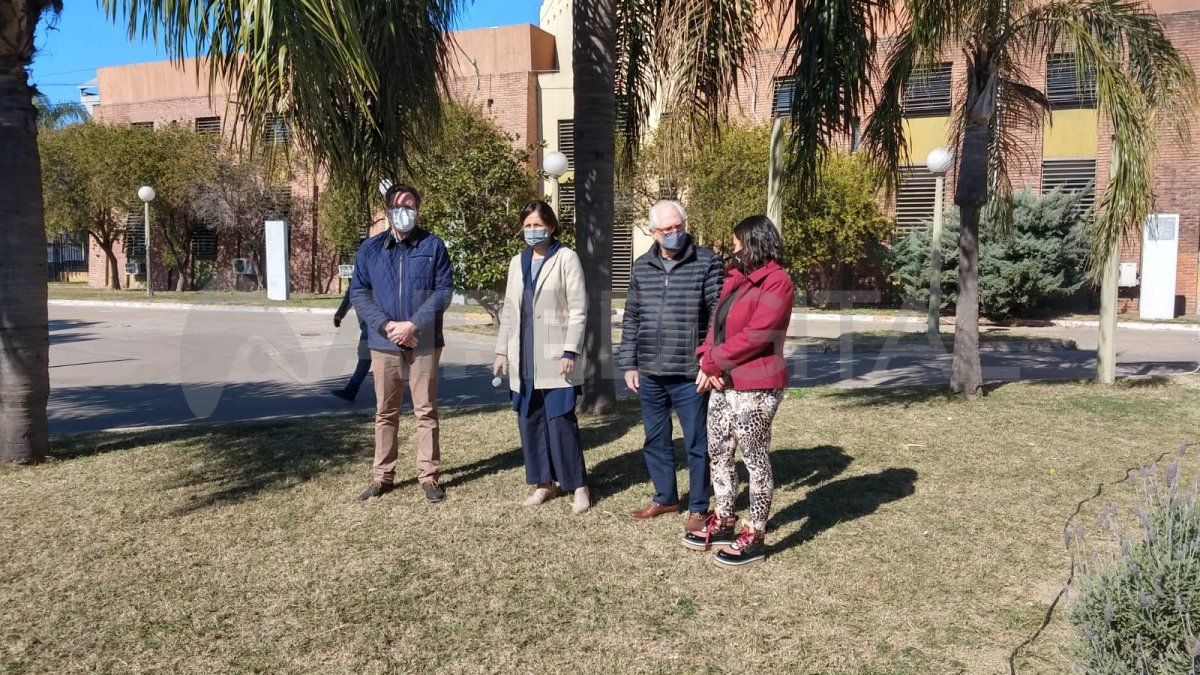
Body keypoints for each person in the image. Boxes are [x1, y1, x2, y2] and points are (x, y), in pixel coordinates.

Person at [683, 215, 794, 568]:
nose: (732, 252)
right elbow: (715, 326)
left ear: (755, 243)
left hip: (757, 385)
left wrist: (712, 363)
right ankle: (725, 517)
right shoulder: (736, 279)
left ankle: (755, 535)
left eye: (736, 245)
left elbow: (758, 336)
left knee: (755, 459)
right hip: (724, 382)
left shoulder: (778, 282)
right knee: (719, 451)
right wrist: (706, 357)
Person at [619, 199, 724, 535]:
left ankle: (698, 506)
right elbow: (633, 316)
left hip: (690, 373)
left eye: (679, 227)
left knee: (697, 442)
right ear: (654, 232)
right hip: (650, 371)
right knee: (655, 438)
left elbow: (718, 316)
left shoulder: (707, 261)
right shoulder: (641, 266)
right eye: (667, 230)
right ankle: (665, 497)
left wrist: (709, 362)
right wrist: (629, 362)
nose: (674, 234)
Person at [349, 183, 453, 503]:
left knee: (426, 411)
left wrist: (412, 325)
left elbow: (443, 292)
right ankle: (382, 477)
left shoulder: (433, 246)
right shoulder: (370, 249)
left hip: (423, 343)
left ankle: (429, 476)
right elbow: (359, 293)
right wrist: (388, 325)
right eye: (397, 206)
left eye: (409, 205)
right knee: (385, 412)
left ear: (418, 209)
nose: (403, 211)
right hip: (384, 343)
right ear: (387, 210)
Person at [493, 200, 591, 514]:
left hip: (556, 355)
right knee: (530, 420)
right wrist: (501, 349)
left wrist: (570, 349)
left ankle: (578, 485)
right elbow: (509, 308)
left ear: (550, 226)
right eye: (528, 225)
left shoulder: (566, 258)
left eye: (539, 225)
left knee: (561, 421)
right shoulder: (516, 262)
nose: (533, 231)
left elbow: (579, 308)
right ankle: (543, 483)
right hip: (524, 355)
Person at [330, 288, 371, 402]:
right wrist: (340, 313)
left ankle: (351, 390)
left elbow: (351, 292)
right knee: (367, 358)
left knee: (365, 358)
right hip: (375, 323)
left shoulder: (363, 273)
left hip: (372, 324)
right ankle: (351, 390)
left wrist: (339, 314)